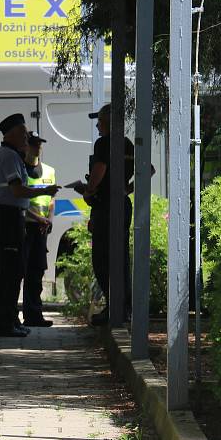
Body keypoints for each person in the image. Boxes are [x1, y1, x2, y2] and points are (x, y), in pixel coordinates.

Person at [74, 104, 153, 326]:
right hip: (122, 204)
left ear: (107, 121)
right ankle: (122, 308)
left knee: (102, 258)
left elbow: (99, 170)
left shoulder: (104, 143)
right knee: (120, 256)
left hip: (106, 206)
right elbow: (148, 169)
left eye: (99, 121)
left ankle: (113, 307)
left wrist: (88, 190)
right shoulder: (127, 144)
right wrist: (126, 189)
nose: (97, 125)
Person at [0, 114, 60, 337]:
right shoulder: (8, 156)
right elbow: (17, 190)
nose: (26, 138)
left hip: (12, 215)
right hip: (6, 216)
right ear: (11, 134)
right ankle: (4, 324)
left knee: (15, 270)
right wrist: (44, 191)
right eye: (22, 133)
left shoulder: (13, 155)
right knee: (9, 271)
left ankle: (11, 319)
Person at [21, 132, 55, 327]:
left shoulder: (49, 171)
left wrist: (48, 220)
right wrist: (39, 219)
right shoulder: (20, 170)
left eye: (39, 145)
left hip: (42, 228)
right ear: (26, 147)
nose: (37, 148)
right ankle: (24, 314)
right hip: (26, 225)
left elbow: (52, 200)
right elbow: (20, 199)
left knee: (37, 272)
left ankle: (34, 315)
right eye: (34, 145)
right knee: (22, 271)